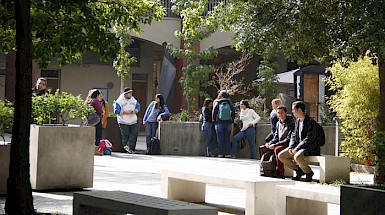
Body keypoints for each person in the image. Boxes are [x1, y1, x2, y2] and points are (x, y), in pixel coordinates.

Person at [278, 101, 321, 182]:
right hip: (298, 147)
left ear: (300, 110)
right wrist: (291, 147)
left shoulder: (311, 122)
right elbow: (293, 135)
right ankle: (299, 170)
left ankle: (308, 172)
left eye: (294, 110)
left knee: (297, 156)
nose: (292, 112)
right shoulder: (297, 121)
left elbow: (309, 138)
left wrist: (297, 148)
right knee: (281, 155)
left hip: (309, 147)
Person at [265, 105, 295, 177]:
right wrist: (270, 143)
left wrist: (275, 145)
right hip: (281, 143)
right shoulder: (278, 123)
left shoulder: (291, 123)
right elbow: (276, 137)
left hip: (289, 144)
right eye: (278, 113)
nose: (280, 114)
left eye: (282, 112)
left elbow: (288, 139)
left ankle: (280, 172)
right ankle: (268, 168)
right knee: (264, 147)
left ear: (286, 113)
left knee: (277, 149)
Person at [114, 87, 140, 154]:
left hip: (133, 120)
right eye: (129, 93)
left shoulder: (133, 100)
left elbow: (138, 106)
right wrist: (125, 113)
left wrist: (135, 111)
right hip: (123, 121)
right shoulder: (119, 101)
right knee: (125, 135)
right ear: (125, 94)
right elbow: (116, 111)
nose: (131, 94)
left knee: (134, 133)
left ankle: (129, 146)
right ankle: (126, 147)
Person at [212, 90, 235, 158]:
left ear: (221, 95)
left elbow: (214, 112)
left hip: (219, 123)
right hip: (228, 123)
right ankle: (228, 153)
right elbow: (233, 112)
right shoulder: (230, 103)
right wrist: (232, 120)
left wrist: (214, 121)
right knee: (228, 139)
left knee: (220, 139)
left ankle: (220, 153)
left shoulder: (218, 102)